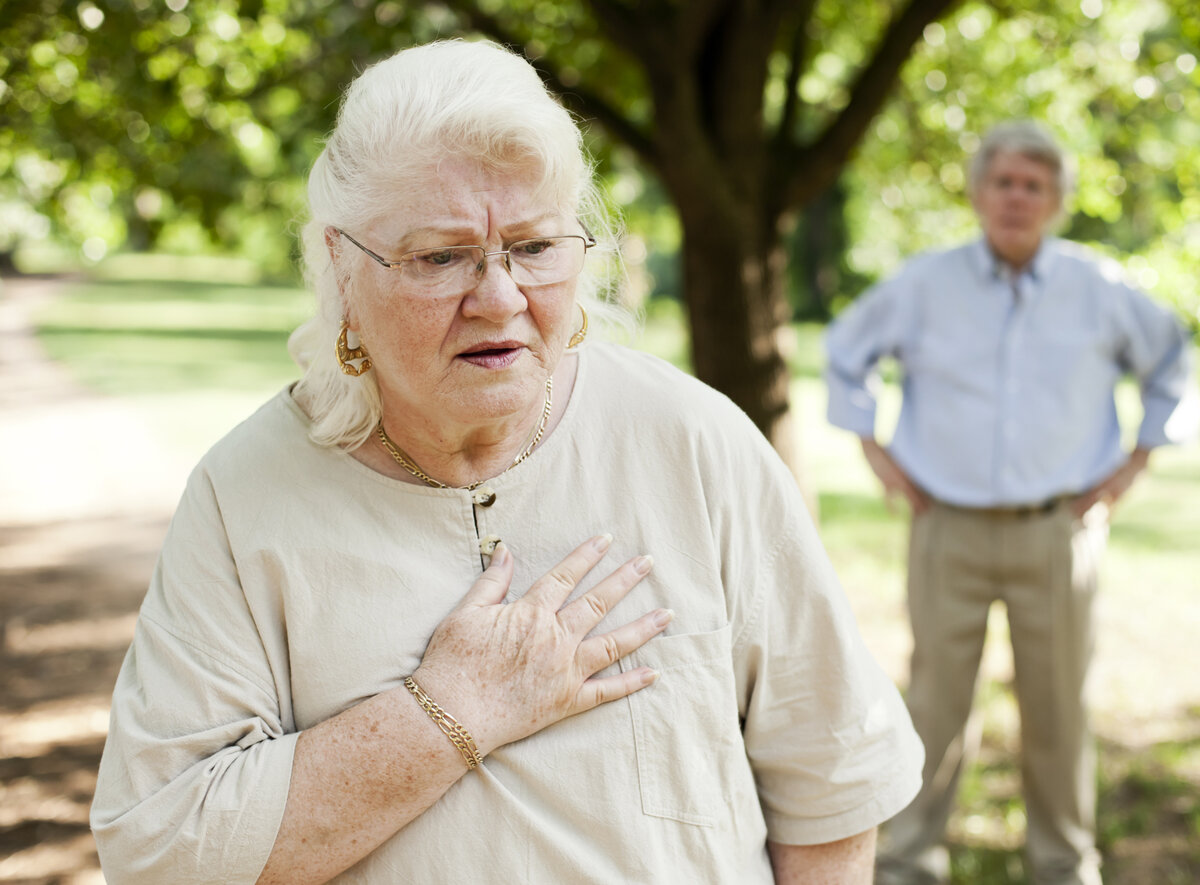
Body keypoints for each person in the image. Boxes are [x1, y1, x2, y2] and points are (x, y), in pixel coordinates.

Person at [91, 39, 923, 884]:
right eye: (440, 256)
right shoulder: (247, 497)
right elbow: (163, 848)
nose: (498, 298)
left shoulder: (694, 441)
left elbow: (832, 791)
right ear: (343, 266)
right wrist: (448, 712)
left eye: (533, 247)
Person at [824, 119, 1198, 885]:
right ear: (978, 193)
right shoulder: (926, 283)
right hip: (945, 529)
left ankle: (1064, 865)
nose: (1017, 198)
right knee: (932, 705)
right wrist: (873, 448)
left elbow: (1173, 360)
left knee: (1060, 711)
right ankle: (906, 861)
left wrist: (1136, 462)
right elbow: (844, 352)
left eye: (1034, 185)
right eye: (1003, 182)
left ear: (1057, 199)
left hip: (1059, 531)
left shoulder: (1101, 289)